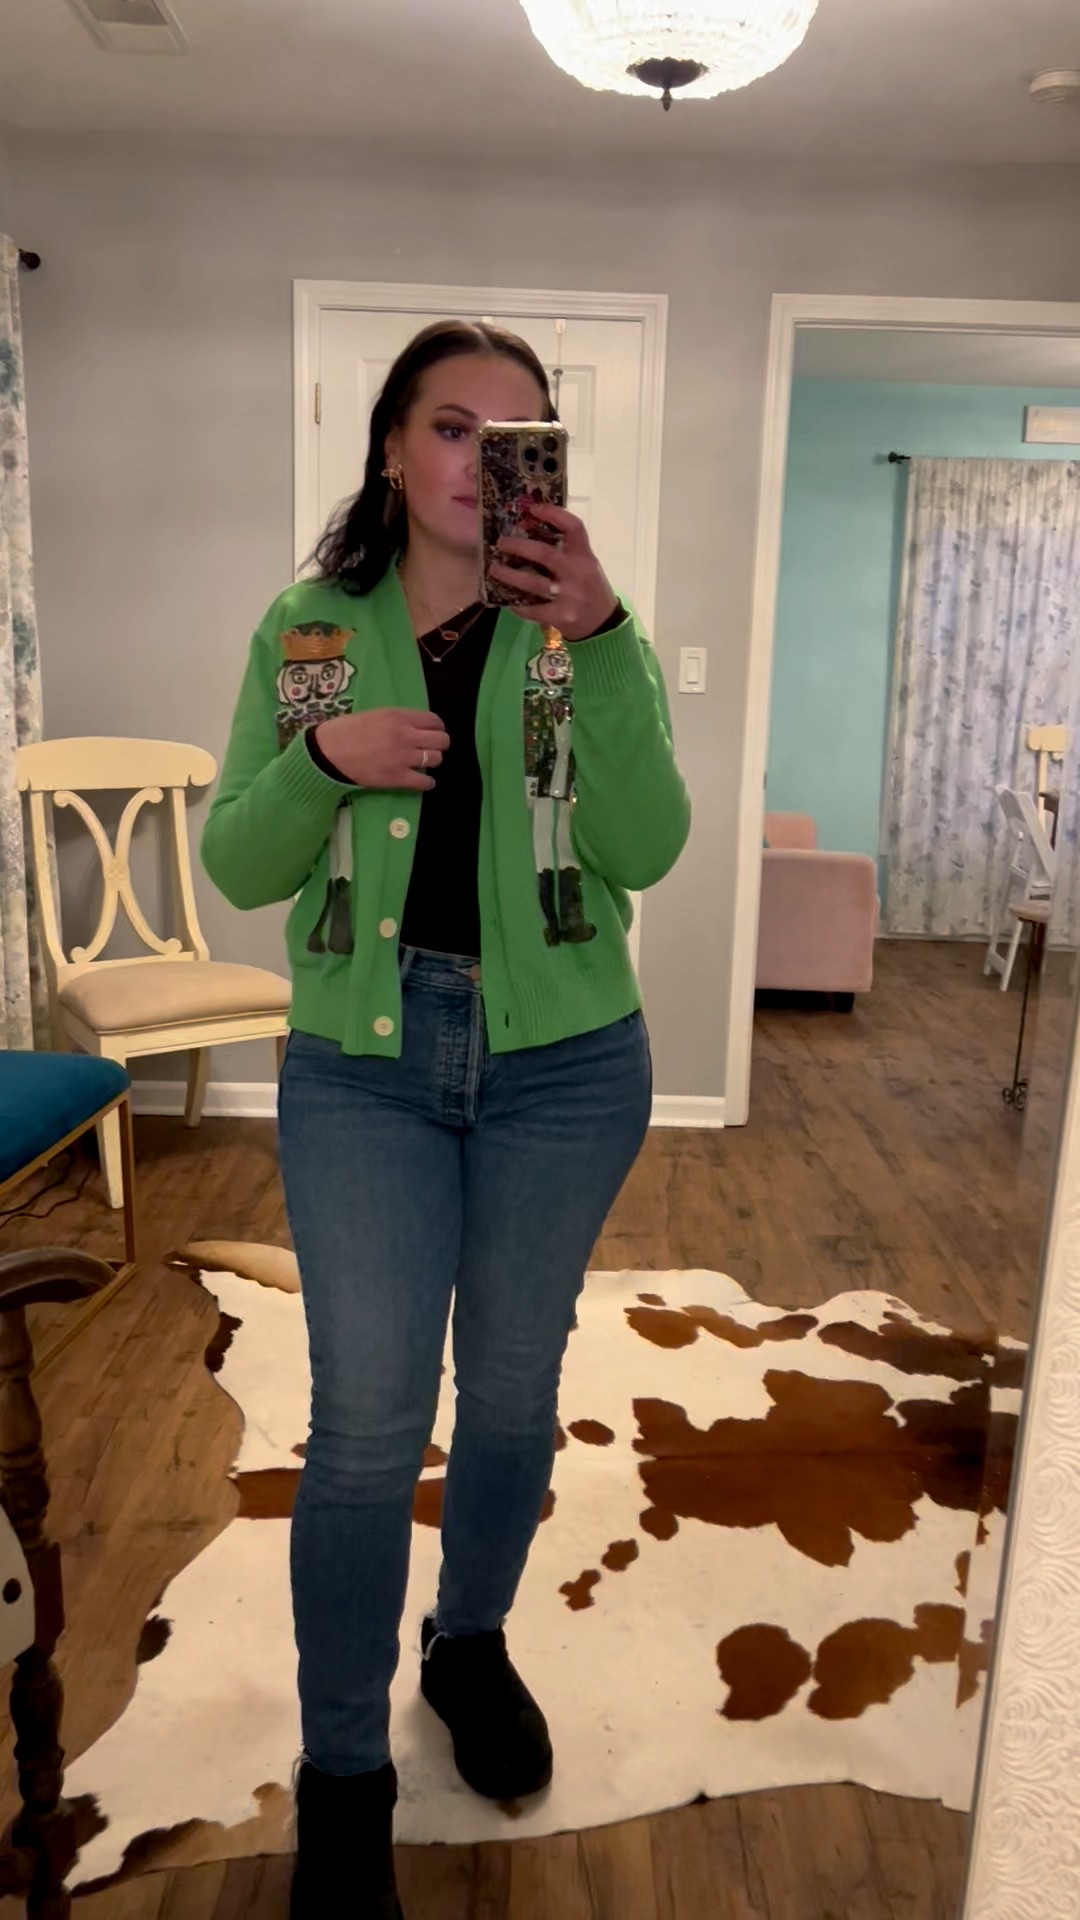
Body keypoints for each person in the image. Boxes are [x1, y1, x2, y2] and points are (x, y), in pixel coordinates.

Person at [202, 319, 690, 1920]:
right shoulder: (312, 631)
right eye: (453, 427)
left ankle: (467, 1643)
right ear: (393, 448)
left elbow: (646, 847)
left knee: (512, 1395)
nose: (486, 460)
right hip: (365, 1065)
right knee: (362, 1426)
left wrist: (604, 639)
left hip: (567, 1065)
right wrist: (323, 761)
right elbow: (242, 863)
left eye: (519, 433)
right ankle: (346, 1770)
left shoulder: (581, 629)